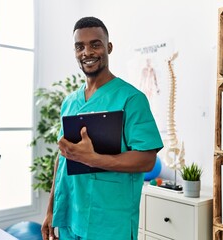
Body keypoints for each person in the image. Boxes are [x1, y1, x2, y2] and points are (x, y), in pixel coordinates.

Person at [41, 16, 163, 240]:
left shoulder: (131, 99)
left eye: (95, 44)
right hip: (70, 217)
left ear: (109, 47)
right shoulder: (69, 102)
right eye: (80, 47)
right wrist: (51, 210)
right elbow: (63, 157)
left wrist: (93, 159)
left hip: (110, 223)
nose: (87, 52)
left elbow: (147, 160)